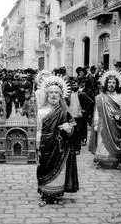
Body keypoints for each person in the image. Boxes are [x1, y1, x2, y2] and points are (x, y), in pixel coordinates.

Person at [36, 76, 79, 207]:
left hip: (61, 146)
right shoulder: (41, 112)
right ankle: (45, 194)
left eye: (56, 93)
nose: (53, 95)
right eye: (51, 92)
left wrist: (69, 129)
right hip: (46, 145)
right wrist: (38, 147)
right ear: (46, 94)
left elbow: (74, 129)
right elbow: (38, 130)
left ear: (61, 95)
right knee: (45, 168)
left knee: (60, 170)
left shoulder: (65, 111)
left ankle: (56, 194)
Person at [92, 70, 121, 168]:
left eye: (113, 82)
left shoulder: (120, 97)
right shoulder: (100, 97)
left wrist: (118, 115)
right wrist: (96, 123)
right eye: (109, 82)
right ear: (105, 83)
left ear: (117, 84)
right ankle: (101, 161)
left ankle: (115, 161)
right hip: (103, 124)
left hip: (115, 125)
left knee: (115, 142)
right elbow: (97, 111)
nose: (111, 84)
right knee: (102, 142)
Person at [68, 78, 94, 152]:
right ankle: (72, 147)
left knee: (78, 132)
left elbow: (91, 102)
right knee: (71, 132)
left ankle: (77, 148)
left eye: (75, 84)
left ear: (78, 85)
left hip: (79, 116)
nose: (74, 86)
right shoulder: (69, 94)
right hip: (71, 115)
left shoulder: (82, 94)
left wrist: (85, 110)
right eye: (73, 84)